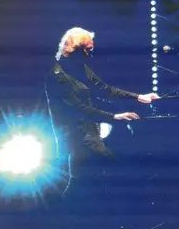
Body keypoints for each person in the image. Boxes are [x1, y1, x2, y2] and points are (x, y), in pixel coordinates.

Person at [45, 27, 159, 177]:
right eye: (88, 50)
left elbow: (104, 89)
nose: (91, 54)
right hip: (75, 139)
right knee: (115, 170)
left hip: (90, 135)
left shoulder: (81, 68)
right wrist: (115, 116)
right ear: (76, 49)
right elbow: (79, 109)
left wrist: (138, 96)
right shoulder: (58, 76)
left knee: (87, 182)